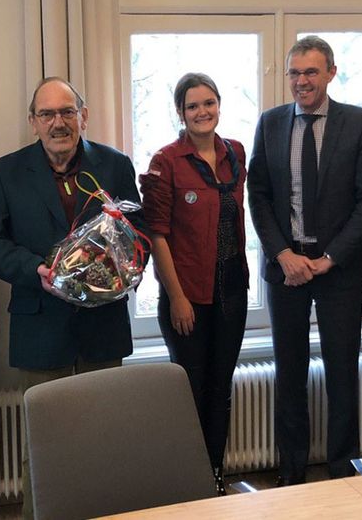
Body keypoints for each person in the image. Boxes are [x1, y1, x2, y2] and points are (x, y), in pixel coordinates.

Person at [0, 77, 146, 518]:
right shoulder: (3, 172)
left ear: (83, 116)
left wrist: (123, 271)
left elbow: (132, 235)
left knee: (104, 438)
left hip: (103, 325)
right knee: (43, 443)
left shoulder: (115, 165)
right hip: (40, 323)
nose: (58, 122)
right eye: (47, 114)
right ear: (33, 123)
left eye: (68, 112)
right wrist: (37, 270)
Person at [248, 36, 362, 484]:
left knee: (343, 373)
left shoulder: (361, 122)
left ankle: (343, 470)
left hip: (339, 271)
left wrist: (330, 258)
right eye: (294, 73)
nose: (301, 81)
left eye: (310, 72)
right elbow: (259, 196)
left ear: (330, 72)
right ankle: (291, 475)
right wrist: (282, 254)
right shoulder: (269, 124)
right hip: (286, 270)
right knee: (289, 374)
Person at [139, 73, 248, 495]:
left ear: (219, 105)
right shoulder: (166, 161)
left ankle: (215, 478)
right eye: (192, 106)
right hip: (188, 295)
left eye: (209, 103)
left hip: (232, 289)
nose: (202, 112)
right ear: (180, 113)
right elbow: (157, 233)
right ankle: (189, 484)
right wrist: (177, 298)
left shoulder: (235, 153)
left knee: (221, 388)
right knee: (191, 390)